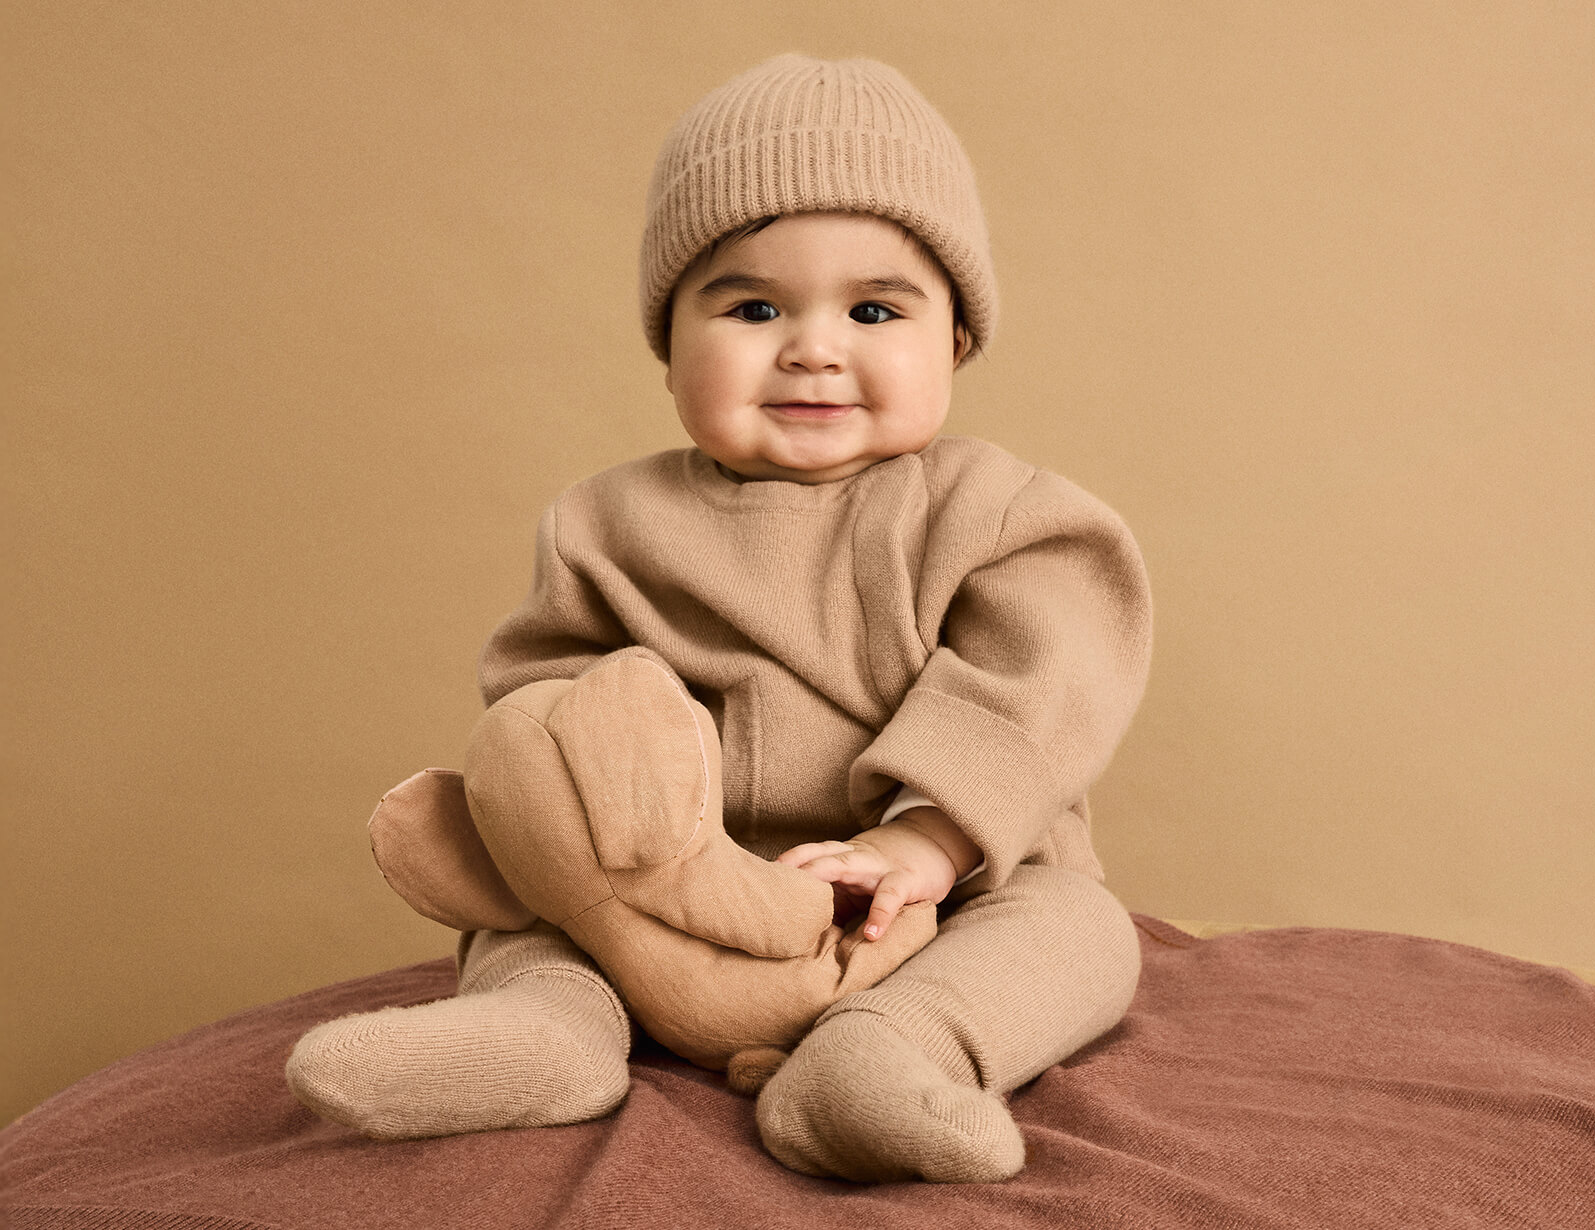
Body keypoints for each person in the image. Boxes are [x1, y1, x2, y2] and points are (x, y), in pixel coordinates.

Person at [287, 53, 1151, 1184]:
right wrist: (617, 848)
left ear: (953, 341)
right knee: (524, 923)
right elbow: (544, 716)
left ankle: (886, 1054)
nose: (811, 345)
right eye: (751, 306)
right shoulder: (605, 524)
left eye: (875, 308)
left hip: (927, 900)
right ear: (668, 346)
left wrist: (920, 841)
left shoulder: (999, 514)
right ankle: (550, 1033)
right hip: (674, 913)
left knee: (1080, 932)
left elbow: (1041, 685)